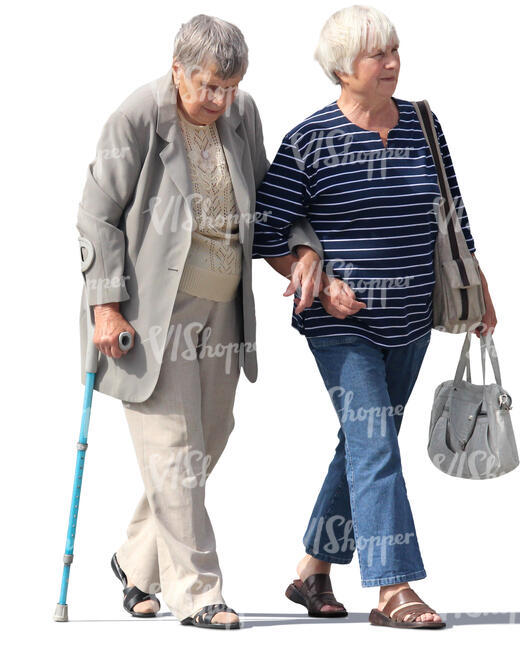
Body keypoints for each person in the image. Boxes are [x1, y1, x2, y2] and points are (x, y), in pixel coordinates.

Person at [252, 5, 498, 630]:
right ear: (341, 69)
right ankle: (393, 588)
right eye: (375, 55)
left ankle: (312, 569)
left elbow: (451, 208)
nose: (390, 63)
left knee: (365, 441)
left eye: (394, 51)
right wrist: (319, 279)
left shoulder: (422, 122)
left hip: (412, 315)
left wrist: (479, 285)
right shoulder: (309, 139)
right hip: (340, 322)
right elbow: (265, 232)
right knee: (374, 441)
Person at [76, 13, 324, 629]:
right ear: (178, 68)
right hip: (149, 315)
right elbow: (95, 217)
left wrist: (302, 249)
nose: (220, 99)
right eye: (209, 85)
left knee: (209, 438)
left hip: (222, 308)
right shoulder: (138, 117)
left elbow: (267, 198)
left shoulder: (242, 115)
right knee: (173, 451)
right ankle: (198, 592)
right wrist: (105, 306)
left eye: (231, 86)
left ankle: (134, 562)